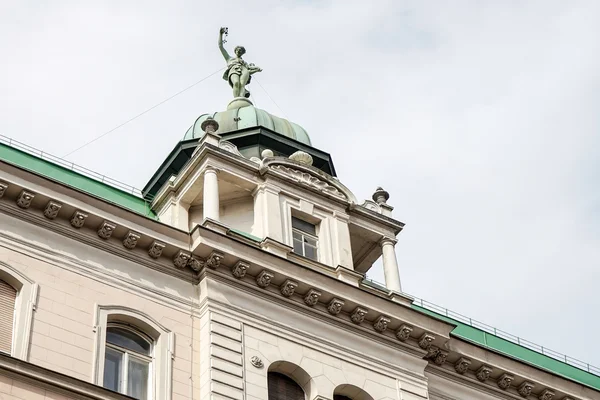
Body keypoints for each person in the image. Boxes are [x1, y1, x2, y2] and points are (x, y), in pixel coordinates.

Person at [219, 27, 262, 98]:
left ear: (243, 53)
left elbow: (249, 70)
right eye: (238, 50)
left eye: (241, 50)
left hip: (244, 71)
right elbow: (220, 46)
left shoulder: (244, 63)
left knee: (242, 84)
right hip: (233, 70)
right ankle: (236, 99)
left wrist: (257, 69)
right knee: (236, 83)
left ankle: (242, 97)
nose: (239, 51)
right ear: (235, 51)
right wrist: (220, 34)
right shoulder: (229, 59)